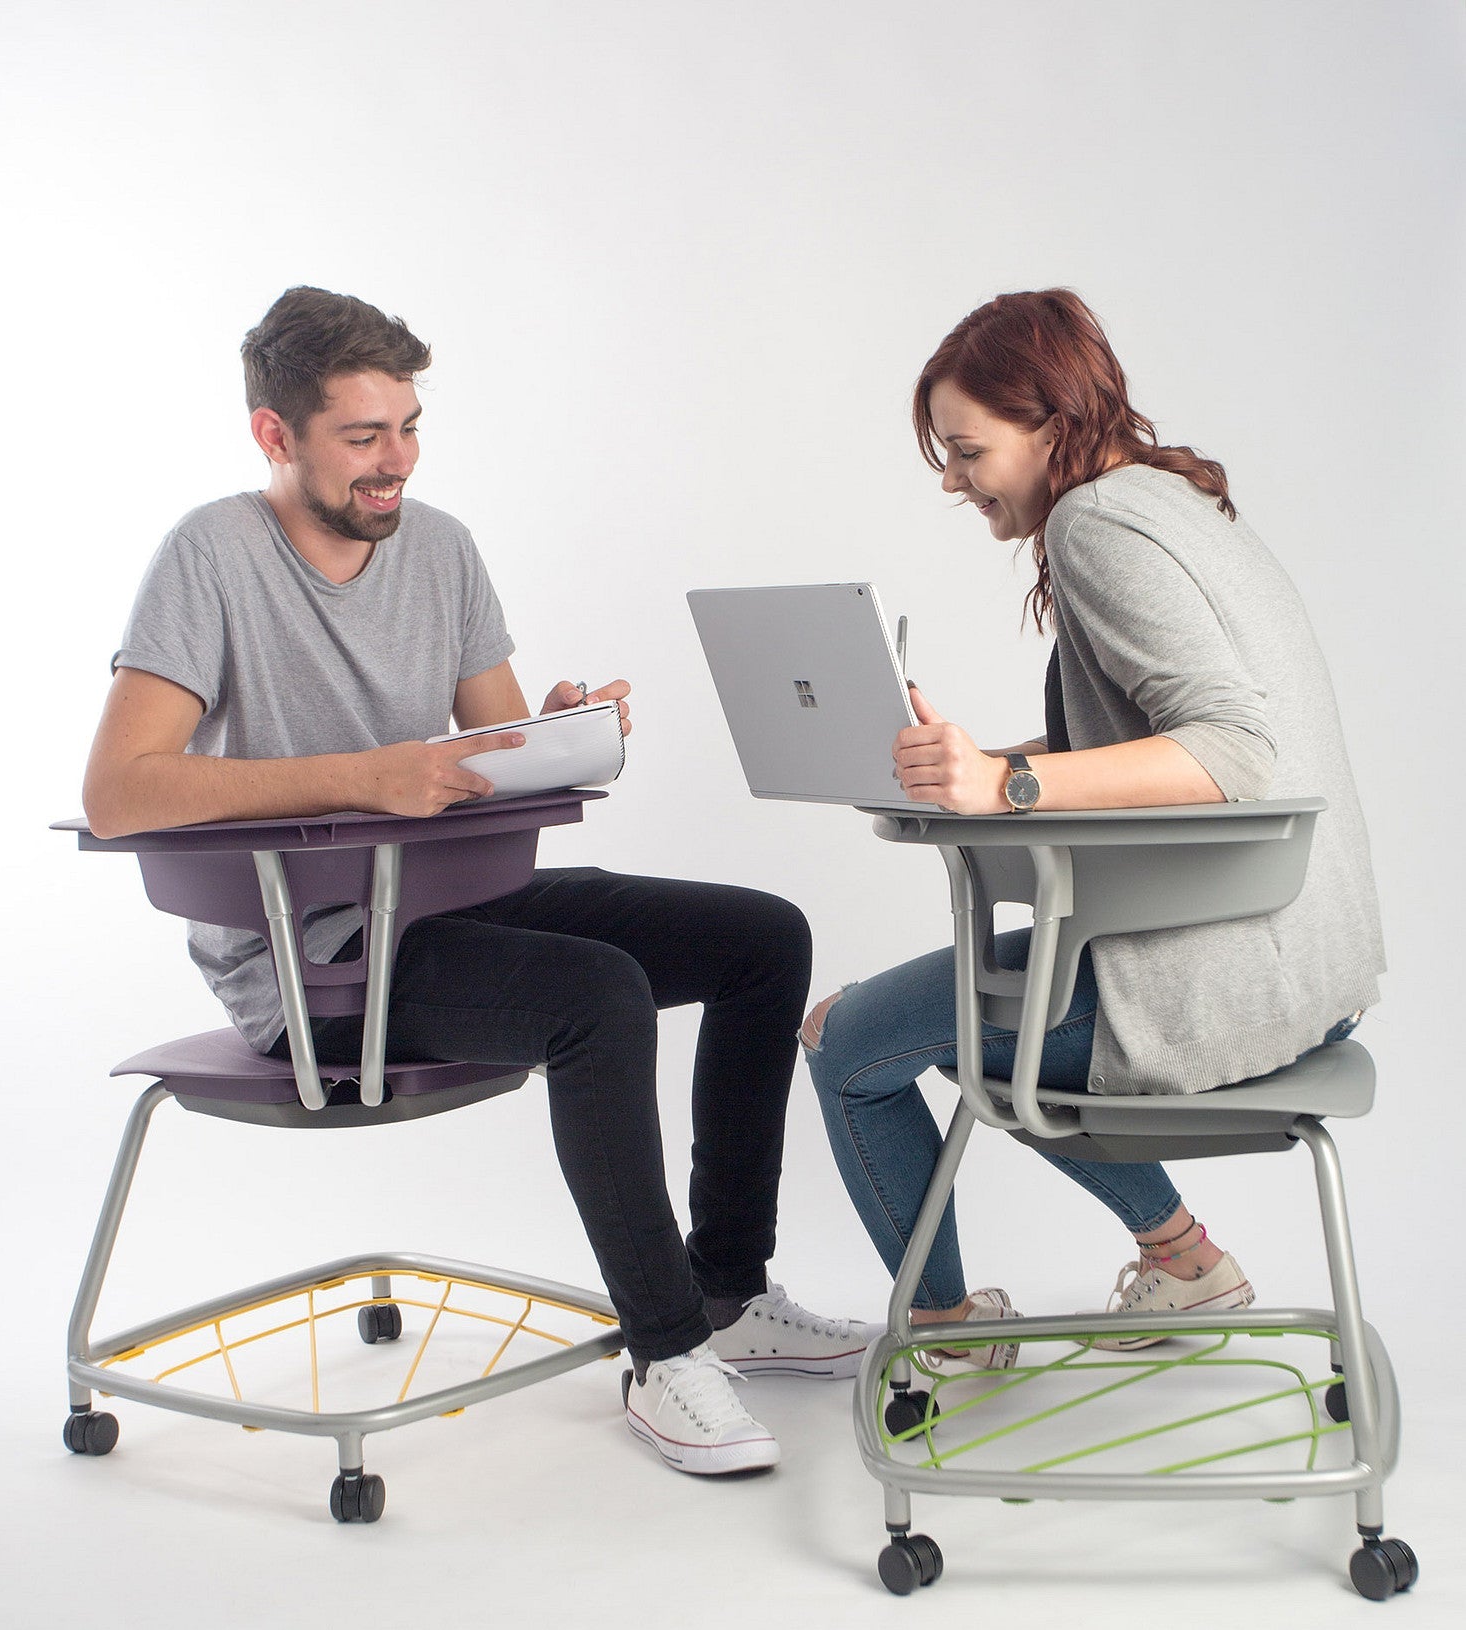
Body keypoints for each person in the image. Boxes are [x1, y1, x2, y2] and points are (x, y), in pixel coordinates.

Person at [83, 284, 876, 1476]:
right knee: (596, 995)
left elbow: (493, 752)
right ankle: (665, 1355)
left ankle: (727, 1295)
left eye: (408, 427)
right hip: (320, 959)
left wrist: (560, 732)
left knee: (763, 938)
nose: (396, 461)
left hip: (451, 900)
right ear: (273, 433)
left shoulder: (441, 548)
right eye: (363, 436)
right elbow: (119, 791)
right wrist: (369, 777)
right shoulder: (213, 555)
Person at [801, 288, 1383, 1360]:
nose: (952, 479)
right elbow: (1161, 738)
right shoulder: (1169, 500)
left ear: (1051, 426)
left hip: (1214, 980)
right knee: (963, 1023)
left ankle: (944, 1333)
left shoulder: (1094, 524)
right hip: (1307, 969)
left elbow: (1233, 751)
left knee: (846, 1040)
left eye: (968, 450)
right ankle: (1186, 1265)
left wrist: (1004, 790)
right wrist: (977, 766)